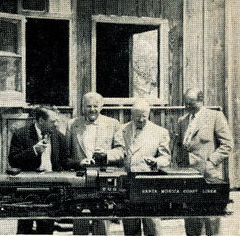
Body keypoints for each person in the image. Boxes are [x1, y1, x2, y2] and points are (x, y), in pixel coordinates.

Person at [173, 88, 233, 236]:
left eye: (190, 103)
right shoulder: (182, 121)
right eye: (185, 104)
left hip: (209, 177)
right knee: (192, 221)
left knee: (211, 220)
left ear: (200, 101)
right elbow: (179, 146)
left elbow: (227, 144)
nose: (187, 107)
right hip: (188, 177)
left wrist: (211, 162)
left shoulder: (215, 117)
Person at [65, 92, 125, 235]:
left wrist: (106, 154)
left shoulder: (113, 124)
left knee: (102, 220)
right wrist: (79, 162)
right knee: (80, 220)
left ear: (101, 106)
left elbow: (121, 151)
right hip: (80, 179)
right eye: (88, 106)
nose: (92, 109)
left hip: (103, 179)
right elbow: (66, 154)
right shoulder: (72, 124)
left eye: (95, 106)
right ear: (82, 107)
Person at [9, 107, 66, 234]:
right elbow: (13, 160)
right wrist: (33, 151)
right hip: (28, 188)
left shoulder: (59, 137)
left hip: (50, 188)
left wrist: (81, 163)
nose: (56, 124)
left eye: (57, 121)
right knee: (25, 226)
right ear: (41, 120)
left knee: (46, 228)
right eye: (53, 121)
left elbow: (64, 161)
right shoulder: (21, 134)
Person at [121, 99, 171, 236]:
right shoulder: (122, 130)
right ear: (131, 115)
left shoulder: (160, 132)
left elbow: (166, 158)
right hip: (128, 184)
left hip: (150, 185)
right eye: (138, 116)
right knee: (130, 225)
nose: (141, 119)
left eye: (144, 116)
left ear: (148, 114)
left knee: (152, 225)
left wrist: (155, 162)